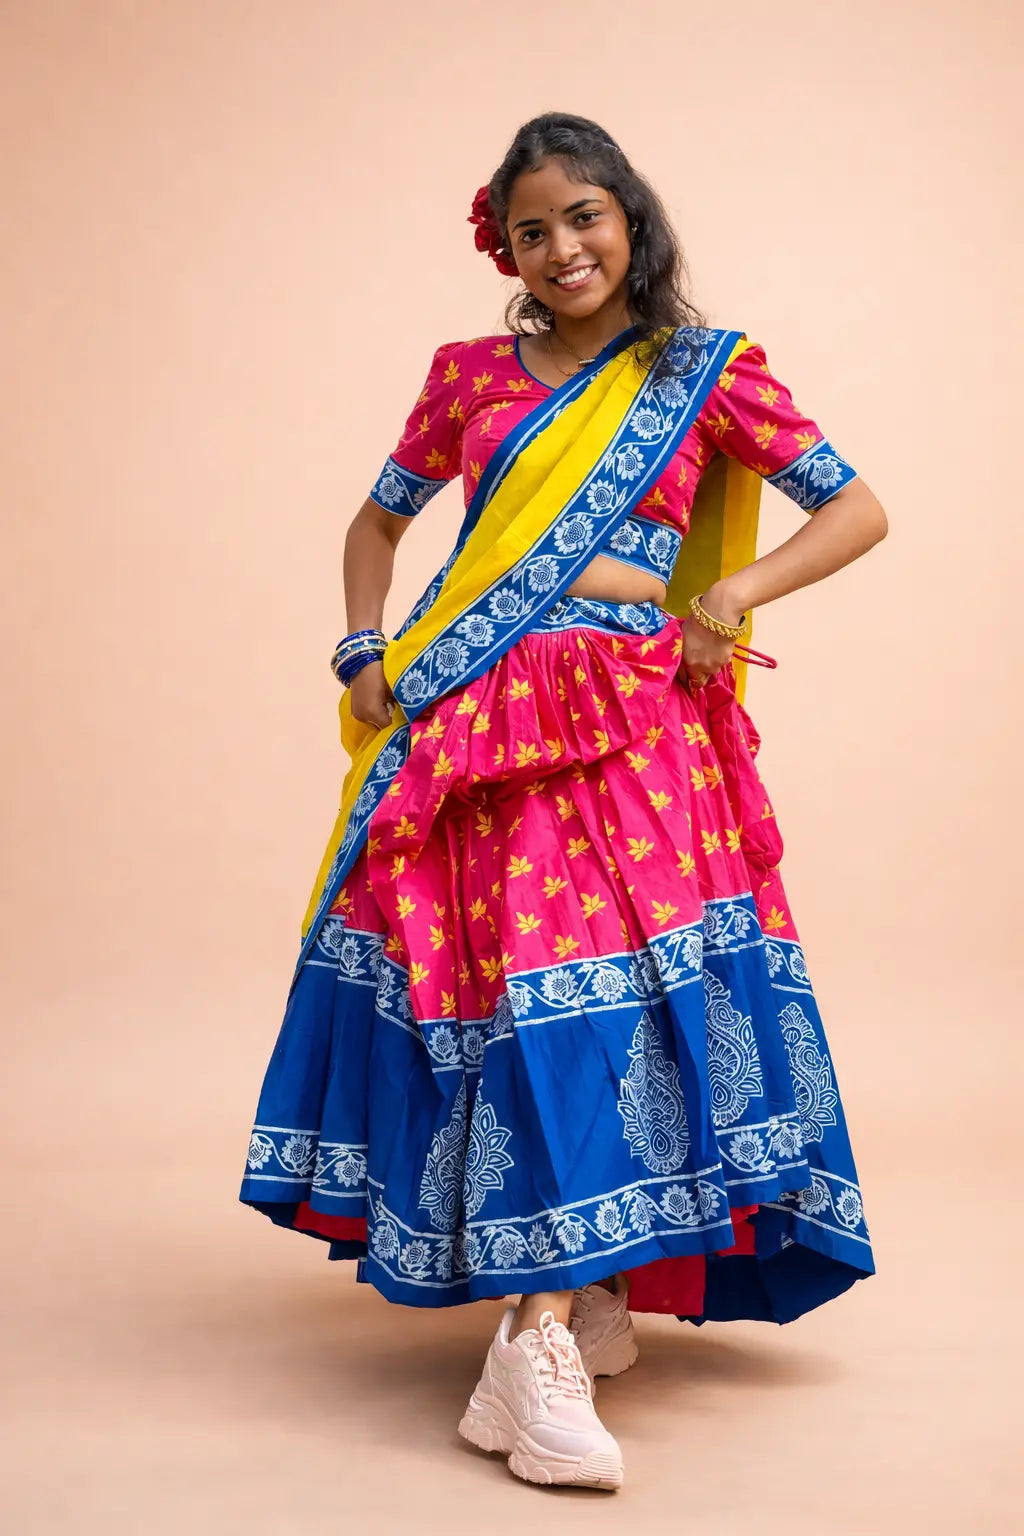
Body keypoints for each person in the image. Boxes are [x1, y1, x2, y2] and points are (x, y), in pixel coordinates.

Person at [239, 112, 887, 1492]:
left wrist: (733, 592)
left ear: (629, 221)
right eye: (531, 230)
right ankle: (541, 1332)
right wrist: (363, 651)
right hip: (478, 716)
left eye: (583, 217)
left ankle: (559, 1312)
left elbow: (853, 507)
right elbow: (380, 524)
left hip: (637, 722)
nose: (561, 248)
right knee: (513, 1003)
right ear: (508, 250)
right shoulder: (467, 372)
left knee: (628, 1002)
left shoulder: (705, 371)